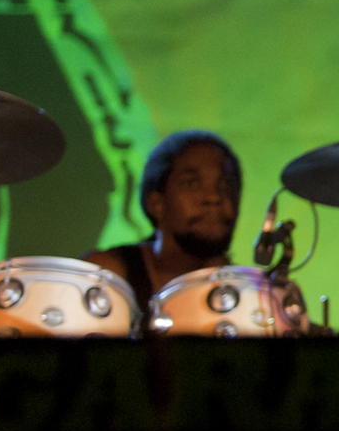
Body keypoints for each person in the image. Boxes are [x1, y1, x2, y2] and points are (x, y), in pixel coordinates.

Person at [85, 129, 242, 311]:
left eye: (226, 184)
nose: (214, 197)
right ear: (157, 204)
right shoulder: (108, 275)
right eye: (191, 183)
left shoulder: (254, 294)